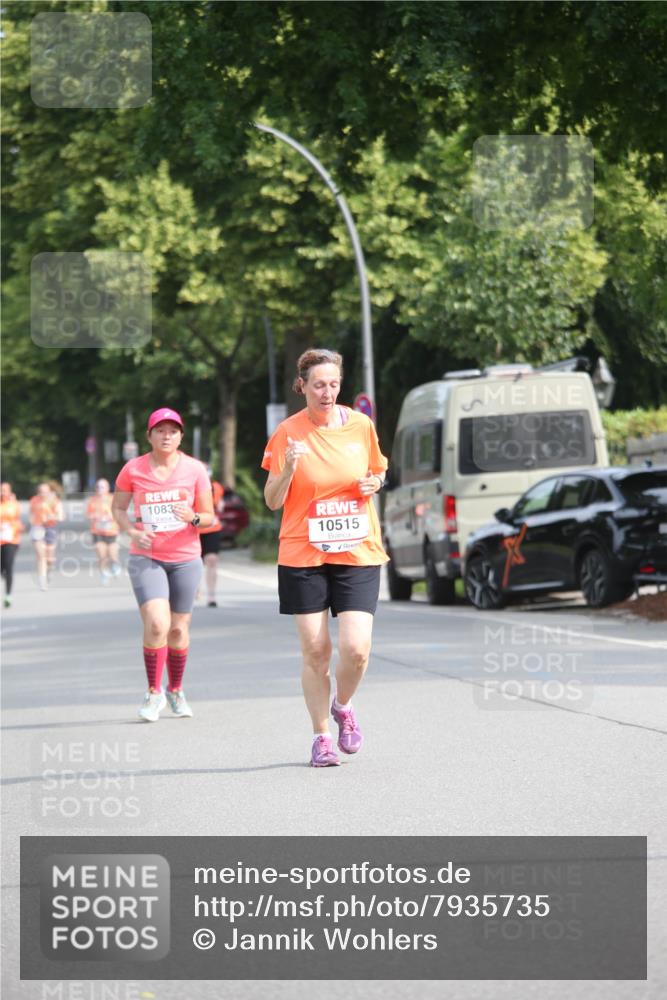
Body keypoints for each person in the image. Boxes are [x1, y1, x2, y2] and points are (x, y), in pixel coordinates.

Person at [262, 348, 388, 767]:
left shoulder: (360, 426)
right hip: (303, 552)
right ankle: (320, 738)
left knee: (356, 649)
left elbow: (378, 471)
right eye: (319, 384)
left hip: (357, 547)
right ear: (302, 386)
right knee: (316, 651)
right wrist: (287, 471)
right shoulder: (287, 433)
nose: (327, 392)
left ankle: (344, 705)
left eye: (334, 384)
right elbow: (271, 501)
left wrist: (374, 483)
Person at [112, 407, 215, 722]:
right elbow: (117, 508)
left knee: (178, 629)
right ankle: (154, 692)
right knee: (157, 623)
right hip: (148, 557)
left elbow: (210, 517)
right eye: (160, 430)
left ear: (181, 436)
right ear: (150, 435)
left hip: (186, 558)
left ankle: (176, 689)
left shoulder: (195, 470)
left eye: (172, 431)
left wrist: (193, 517)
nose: (166, 436)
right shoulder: (133, 469)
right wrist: (131, 531)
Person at [29, 481, 64, 590]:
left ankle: (50, 569)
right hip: (38, 528)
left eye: (45, 491)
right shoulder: (34, 500)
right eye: (40, 491)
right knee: (41, 556)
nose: (42, 493)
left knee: (50, 558)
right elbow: (31, 514)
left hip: (50, 528)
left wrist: (51, 517)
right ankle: (42, 581)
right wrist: (33, 523)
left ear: (50, 491)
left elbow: (61, 516)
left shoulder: (55, 501)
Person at [86, 478, 122, 583]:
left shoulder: (113, 499)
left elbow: (119, 512)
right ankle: (104, 573)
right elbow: (88, 515)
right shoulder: (92, 500)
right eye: (98, 486)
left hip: (112, 531)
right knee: (102, 555)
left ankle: (115, 565)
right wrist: (95, 517)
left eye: (102, 487)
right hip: (97, 531)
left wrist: (110, 517)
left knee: (112, 554)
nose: (99, 489)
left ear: (107, 488)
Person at [198, 472, 224, 606]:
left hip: (212, 528)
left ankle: (211, 595)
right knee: (195, 563)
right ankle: (195, 589)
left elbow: (220, 506)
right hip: (194, 529)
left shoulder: (217, 487)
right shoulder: (189, 485)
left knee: (212, 560)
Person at [0, 482, 23, 608]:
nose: (2, 492)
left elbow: (17, 520)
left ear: (9, 492)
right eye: (1, 490)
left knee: (9, 567)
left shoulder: (14, 504)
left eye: (4, 490)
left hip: (11, 540)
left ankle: (8, 595)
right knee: (2, 568)